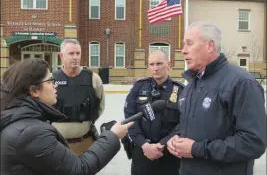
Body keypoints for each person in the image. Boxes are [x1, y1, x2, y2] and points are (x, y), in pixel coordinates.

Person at [0, 58, 133, 175]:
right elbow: (79, 170)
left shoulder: (18, 119)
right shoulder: (31, 132)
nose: (55, 85)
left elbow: (99, 108)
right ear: (34, 91)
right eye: (50, 80)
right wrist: (113, 135)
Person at [167, 21, 266, 175]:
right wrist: (174, 139)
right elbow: (188, 126)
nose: (183, 50)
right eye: (183, 44)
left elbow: (253, 143)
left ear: (210, 46)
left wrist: (197, 149)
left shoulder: (241, 83)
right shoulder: (192, 84)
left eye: (189, 43)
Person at [124, 49, 184, 175]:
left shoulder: (180, 91)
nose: (155, 68)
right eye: (152, 64)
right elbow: (130, 119)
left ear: (169, 64)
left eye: (159, 63)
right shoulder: (139, 88)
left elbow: (183, 123)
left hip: (170, 155)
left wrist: (162, 144)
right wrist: (144, 145)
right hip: (142, 153)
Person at [52, 39, 105, 156]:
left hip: (85, 143)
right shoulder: (51, 79)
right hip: (57, 145)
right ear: (61, 56)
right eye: (71, 53)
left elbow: (100, 107)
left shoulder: (93, 78)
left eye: (78, 53)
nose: (75, 57)